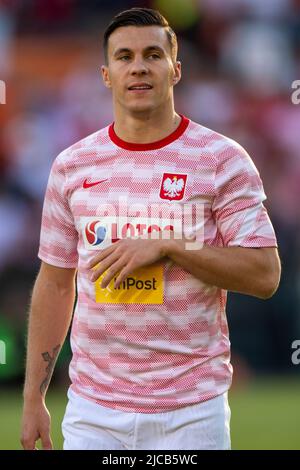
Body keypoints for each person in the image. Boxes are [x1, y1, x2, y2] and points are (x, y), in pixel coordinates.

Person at [21, 7, 281, 451]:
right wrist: (32, 398)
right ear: (106, 75)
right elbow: (56, 282)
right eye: (124, 56)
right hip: (94, 412)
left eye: (153, 55)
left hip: (192, 411)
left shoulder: (221, 159)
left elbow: (265, 275)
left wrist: (169, 246)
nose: (138, 66)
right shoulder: (72, 166)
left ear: (175, 69)